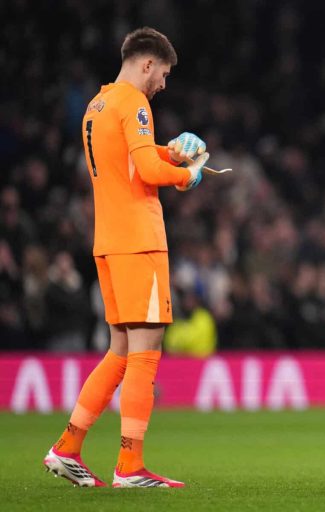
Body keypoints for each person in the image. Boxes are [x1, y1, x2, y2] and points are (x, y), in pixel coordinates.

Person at [43, 27, 210, 488]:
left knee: (119, 351)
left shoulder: (98, 105)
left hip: (108, 241)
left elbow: (130, 161)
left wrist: (169, 151)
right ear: (147, 64)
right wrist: (187, 173)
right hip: (139, 240)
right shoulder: (135, 102)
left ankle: (67, 446)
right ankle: (130, 466)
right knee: (146, 352)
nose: (164, 85)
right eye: (165, 74)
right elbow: (151, 173)